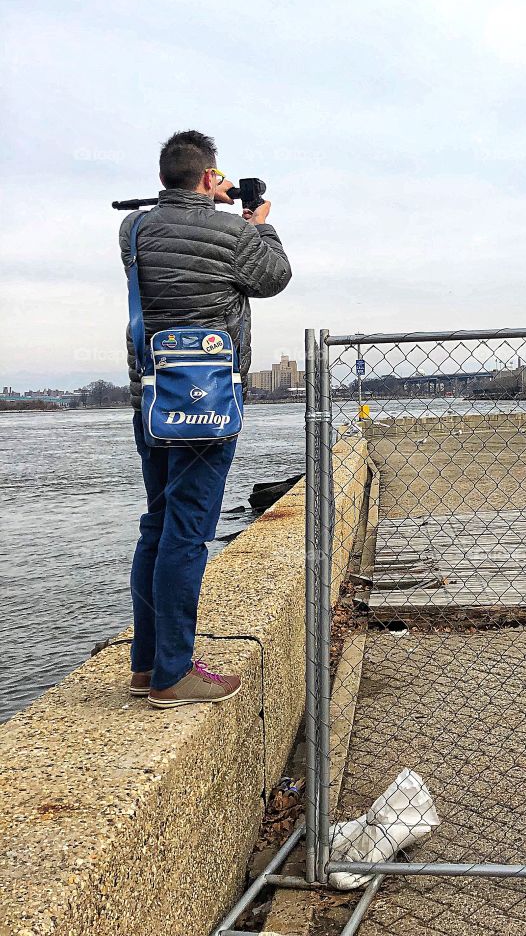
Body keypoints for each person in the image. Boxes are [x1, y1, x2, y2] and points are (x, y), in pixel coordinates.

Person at [119, 131, 291, 708]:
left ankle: (147, 665)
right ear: (208, 176)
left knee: (157, 522)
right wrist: (256, 222)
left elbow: (174, 240)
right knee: (189, 532)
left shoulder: (133, 230)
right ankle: (173, 673)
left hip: (152, 394)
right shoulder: (234, 232)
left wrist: (200, 200)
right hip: (209, 397)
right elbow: (273, 278)